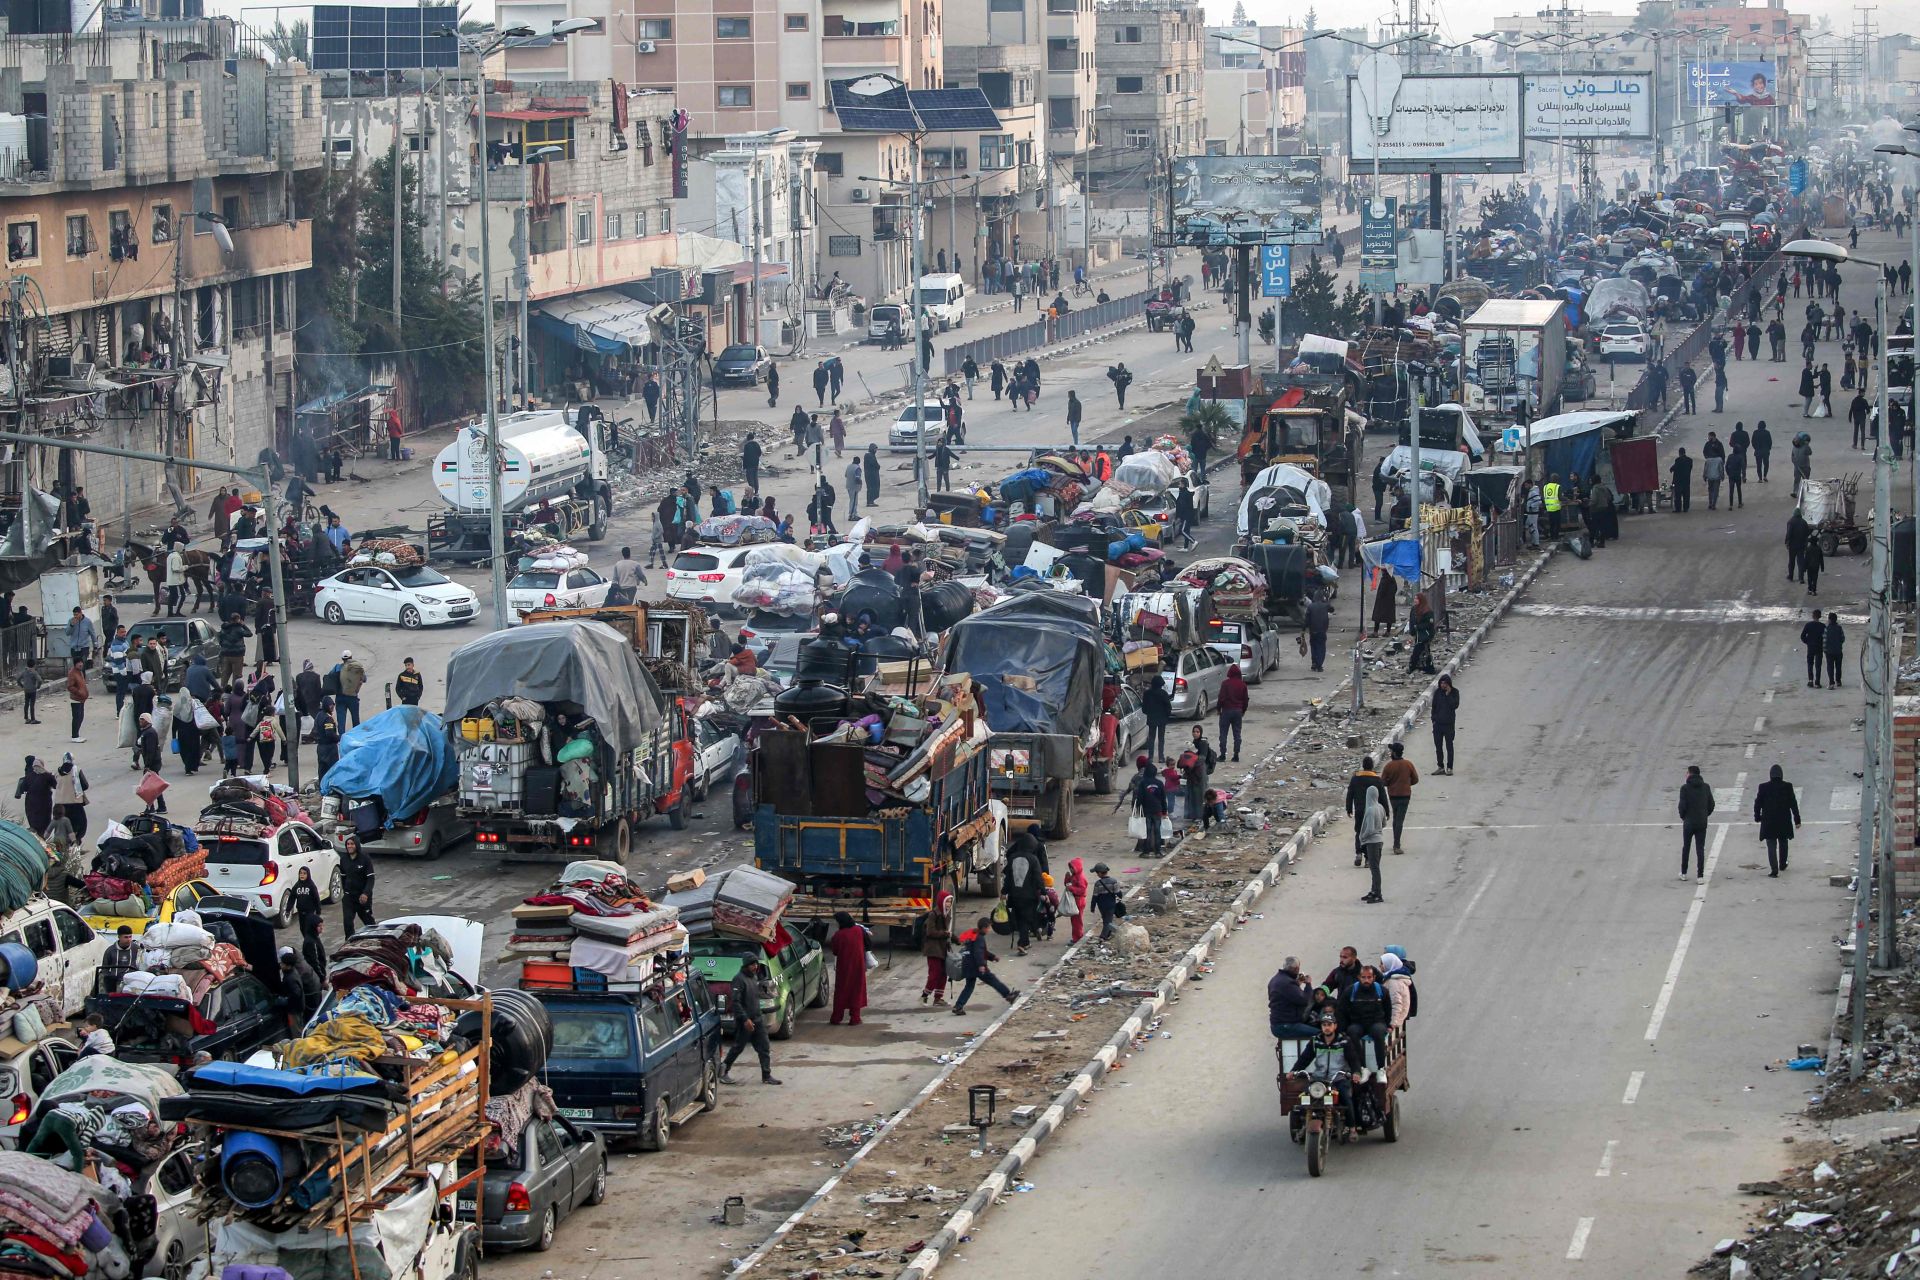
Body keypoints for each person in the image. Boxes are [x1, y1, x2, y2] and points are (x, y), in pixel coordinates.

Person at [1290, 1009, 1363, 1128]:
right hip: (1319, 1078)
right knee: (1305, 1098)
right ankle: (1301, 1125)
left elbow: (1353, 1059)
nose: (1327, 1028)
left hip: (1338, 1078)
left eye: (1329, 1025)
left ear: (1335, 1026)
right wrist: (1294, 1071)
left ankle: (1352, 1128)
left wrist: (1356, 1072)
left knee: (1346, 1099)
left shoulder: (1344, 1041)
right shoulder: (1316, 1041)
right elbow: (1305, 1058)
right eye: (1324, 1025)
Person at [720, 958, 783, 1084]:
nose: (755, 967)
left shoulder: (754, 978)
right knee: (738, 1047)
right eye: (752, 964)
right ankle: (723, 1071)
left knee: (764, 1047)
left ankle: (766, 1075)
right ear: (746, 965)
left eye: (756, 964)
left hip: (757, 1019)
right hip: (745, 1021)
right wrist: (745, 1019)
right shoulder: (739, 980)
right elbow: (736, 1003)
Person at [952, 917, 1016, 1014]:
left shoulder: (973, 935)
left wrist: (992, 957)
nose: (989, 930)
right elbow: (978, 952)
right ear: (984, 928)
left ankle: (958, 1006)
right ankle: (1008, 995)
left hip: (967, 965)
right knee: (992, 980)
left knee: (969, 986)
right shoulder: (979, 938)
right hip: (976, 966)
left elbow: (982, 951)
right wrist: (981, 965)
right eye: (989, 927)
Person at [1338, 963, 1392, 1075]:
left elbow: (1388, 1009)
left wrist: (1388, 1025)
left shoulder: (1382, 991)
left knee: (1378, 1033)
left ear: (1374, 978)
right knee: (1352, 1032)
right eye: (1363, 977)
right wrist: (1342, 1028)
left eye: (1369, 977)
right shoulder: (1350, 991)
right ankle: (1362, 1067)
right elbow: (1342, 1011)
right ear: (1359, 977)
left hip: (1376, 1022)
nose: (1366, 980)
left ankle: (1381, 1068)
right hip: (1358, 1023)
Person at [1753, 763, 1802, 878]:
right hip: (1783, 821)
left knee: (1771, 845)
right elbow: (1793, 804)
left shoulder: (1763, 787)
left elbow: (1757, 803)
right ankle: (1783, 864)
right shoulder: (1787, 787)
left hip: (1768, 822)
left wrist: (1757, 816)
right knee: (1783, 842)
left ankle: (1774, 869)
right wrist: (1797, 819)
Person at [1005, 834, 1045, 954]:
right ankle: (1022, 943)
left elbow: (1008, 877)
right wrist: (1043, 892)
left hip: (1014, 895)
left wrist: (1004, 891)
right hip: (1029, 896)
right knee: (1025, 919)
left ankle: (1025, 942)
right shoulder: (1033, 859)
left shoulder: (1012, 857)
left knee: (1019, 918)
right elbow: (1038, 878)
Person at [1344, 758, 1388, 867]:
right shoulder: (1377, 780)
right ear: (1372, 766)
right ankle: (1368, 859)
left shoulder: (1355, 778)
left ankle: (1359, 853)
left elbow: (1350, 794)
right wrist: (1386, 811)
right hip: (1372, 811)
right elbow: (1383, 797)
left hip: (1359, 810)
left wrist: (1349, 808)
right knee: (1370, 833)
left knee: (1359, 831)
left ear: (1363, 766)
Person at [827, 911, 869, 1025]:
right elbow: (868, 943)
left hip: (844, 967)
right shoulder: (859, 930)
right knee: (857, 989)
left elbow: (835, 951)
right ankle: (855, 1018)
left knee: (841, 990)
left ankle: (837, 1017)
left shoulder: (838, 935)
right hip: (859, 966)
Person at [1380, 742, 1419, 854]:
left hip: (1393, 796)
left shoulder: (1388, 766)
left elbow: (1382, 782)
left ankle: (1396, 843)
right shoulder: (1408, 764)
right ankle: (1396, 844)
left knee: (1396, 818)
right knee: (1399, 820)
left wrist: (1391, 784)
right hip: (1405, 795)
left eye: (1391, 751)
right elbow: (1415, 779)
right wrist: (1406, 784)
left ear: (1394, 753)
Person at [1678, 764, 1714, 881]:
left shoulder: (1685, 788)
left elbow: (1682, 806)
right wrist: (1705, 815)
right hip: (1701, 822)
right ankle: (1700, 875)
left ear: (1690, 774)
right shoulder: (1706, 787)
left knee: (1686, 847)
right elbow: (1711, 804)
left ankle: (1684, 872)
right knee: (1700, 848)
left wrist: (1684, 817)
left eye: (1687, 773)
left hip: (1689, 822)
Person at [919, 890, 953, 1004]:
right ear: (941, 902)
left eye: (950, 902)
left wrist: (956, 939)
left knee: (944, 973)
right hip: (933, 949)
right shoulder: (933, 914)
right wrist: (945, 934)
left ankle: (938, 998)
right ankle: (925, 995)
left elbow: (947, 932)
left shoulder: (947, 914)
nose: (948, 904)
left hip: (942, 949)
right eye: (947, 901)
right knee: (935, 973)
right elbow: (930, 932)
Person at [1268, 957, 1317, 1038]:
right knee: (1320, 1034)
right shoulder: (1288, 983)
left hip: (1277, 1024)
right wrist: (1308, 984)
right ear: (1296, 968)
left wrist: (1297, 985)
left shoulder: (1275, 979)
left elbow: (1285, 997)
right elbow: (1304, 1000)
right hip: (1286, 1025)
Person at [1356, 784, 1387, 903]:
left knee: (1375, 869)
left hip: (1372, 842)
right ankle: (1374, 890)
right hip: (1379, 840)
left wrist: (1362, 837)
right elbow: (1384, 823)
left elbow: (1368, 829)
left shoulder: (1370, 810)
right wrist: (1378, 829)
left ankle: (1377, 893)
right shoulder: (1380, 807)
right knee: (1375, 867)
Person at [340, 837, 376, 935]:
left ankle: (375, 937)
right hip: (349, 897)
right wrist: (345, 891)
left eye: (352, 844)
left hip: (362, 897)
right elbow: (343, 877)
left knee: (368, 921)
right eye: (348, 844)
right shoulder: (343, 859)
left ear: (356, 845)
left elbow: (370, 879)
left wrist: (365, 893)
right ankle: (349, 942)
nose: (349, 846)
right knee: (347, 922)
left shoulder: (365, 858)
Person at [1217, 664, 1249, 761]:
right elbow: (1245, 700)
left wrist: (1218, 709)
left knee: (1223, 733)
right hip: (1237, 711)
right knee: (1237, 734)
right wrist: (1243, 710)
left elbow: (1221, 698)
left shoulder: (1225, 683)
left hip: (1226, 711)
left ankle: (1222, 754)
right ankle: (1236, 754)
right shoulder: (1243, 684)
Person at [1430, 674, 1459, 774]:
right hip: (1438, 725)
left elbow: (1455, 705)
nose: (1443, 685)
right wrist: (1433, 720)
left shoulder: (1454, 692)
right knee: (1438, 747)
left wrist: (1448, 694)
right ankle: (1440, 766)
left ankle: (1450, 767)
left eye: (1445, 683)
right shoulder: (1437, 693)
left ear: (1449, 684)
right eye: (1441, 683)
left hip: (1449, 725)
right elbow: (1434, 707)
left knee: (1449, 747)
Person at [1089, 863, 1123, 941]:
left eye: (1097, 873)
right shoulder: (1114, 881)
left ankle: (1104, 935)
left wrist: (1092, 907)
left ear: (1100, 873)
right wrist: (1119, 901)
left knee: (1106, 920)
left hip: (1101, 905)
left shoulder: (1098, 883)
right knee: (1108, 920)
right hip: (1111, 904)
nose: (1097, 874)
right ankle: (1105, 935)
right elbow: (1118, 893)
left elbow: (1095, 896)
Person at [1141, 678, 1172, 762]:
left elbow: (1144, 708)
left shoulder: (1147, 694)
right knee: (1161, 738)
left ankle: (1150, 757)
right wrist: (1167, 716)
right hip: (1162, 719)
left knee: (1151, 738)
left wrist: (1149, 713)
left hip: (1151, 718)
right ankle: (1161, 757)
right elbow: (1168, 707)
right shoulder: (1164, 694)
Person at [1407, 593, 1436, 675]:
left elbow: (1429, 624)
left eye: (1417, 599)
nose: (1415, 600)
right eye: (1415, 598)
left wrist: (1419, 627)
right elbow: (1412, 621)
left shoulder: (1427, 611)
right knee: (1425, 651)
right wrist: (1412, 631)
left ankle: (1412, 667)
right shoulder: (1414, 609)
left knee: (1418, 651)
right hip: (1418, 635)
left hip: (1425, 635)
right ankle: (1428, 668)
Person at [1303, 593, 1331, 673]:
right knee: (1321, 647)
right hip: (1322, 630)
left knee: (1314, 647)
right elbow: (1332, 609)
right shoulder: (1325, 605)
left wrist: (1303, 629)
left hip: (1313, 630)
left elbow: (1306, 619)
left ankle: (1314, 662)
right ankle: (1319, 665)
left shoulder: (1310, 606)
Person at [1062, 857, 1087, 942]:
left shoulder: (1080, 878)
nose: (1071, 869)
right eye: (1070, 868)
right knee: (1075, 920)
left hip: (1079, 900)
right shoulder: (1075, 876)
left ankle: (1077, 938)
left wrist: (1071, 888)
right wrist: (1067, 878)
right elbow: (1067, 885)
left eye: (1072, 868)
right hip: (1075, 900)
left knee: (1077, 921)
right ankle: (1076, 937)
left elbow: (1082, 890)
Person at [63, 662, 87, 743]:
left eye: (81, 663)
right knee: (77, 717)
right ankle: (74, 736)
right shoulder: (72, 673)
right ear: (75, 664)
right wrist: (79, 693)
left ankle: (77, 734)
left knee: (81, 717)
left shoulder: (80, 672)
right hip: (75, 699)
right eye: (79, 663)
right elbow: (70, 686)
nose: (81, 664)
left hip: (81, 699)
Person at [1370, 571, 1397, 636]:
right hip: (1390, 601)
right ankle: (1388, 631)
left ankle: (1375, 632)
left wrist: (1380, 596)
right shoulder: (1392, 578)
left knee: (1377, 616)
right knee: (1389, 617)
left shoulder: (1384, 579)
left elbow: (1382, 590)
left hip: (1382, 601)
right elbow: (1395, 588)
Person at [1824, 612, 1845, 688]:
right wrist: (1839, 644)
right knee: (1838, 666)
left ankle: (1831, 682)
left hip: (1829, 651)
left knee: (1830, 667)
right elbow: (1843, 638)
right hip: (1838, 650)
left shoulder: (1827, 628)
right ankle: (1838, 681)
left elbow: (1825, 640)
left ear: (1829, 620)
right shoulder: (1839, 628)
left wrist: (1825, 649)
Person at [1669, 448, 1693, 512]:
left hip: (1678, 481)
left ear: (1679, 453)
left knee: (1678, 496)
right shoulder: (1690, 460)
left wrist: (1673, 482)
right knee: (1686, 495)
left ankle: (1678, 509)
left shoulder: (1678, 460)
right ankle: (1686, 508)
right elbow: (1690, 468)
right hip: (1686, 480)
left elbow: (1675, 469)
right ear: (1684, 452)